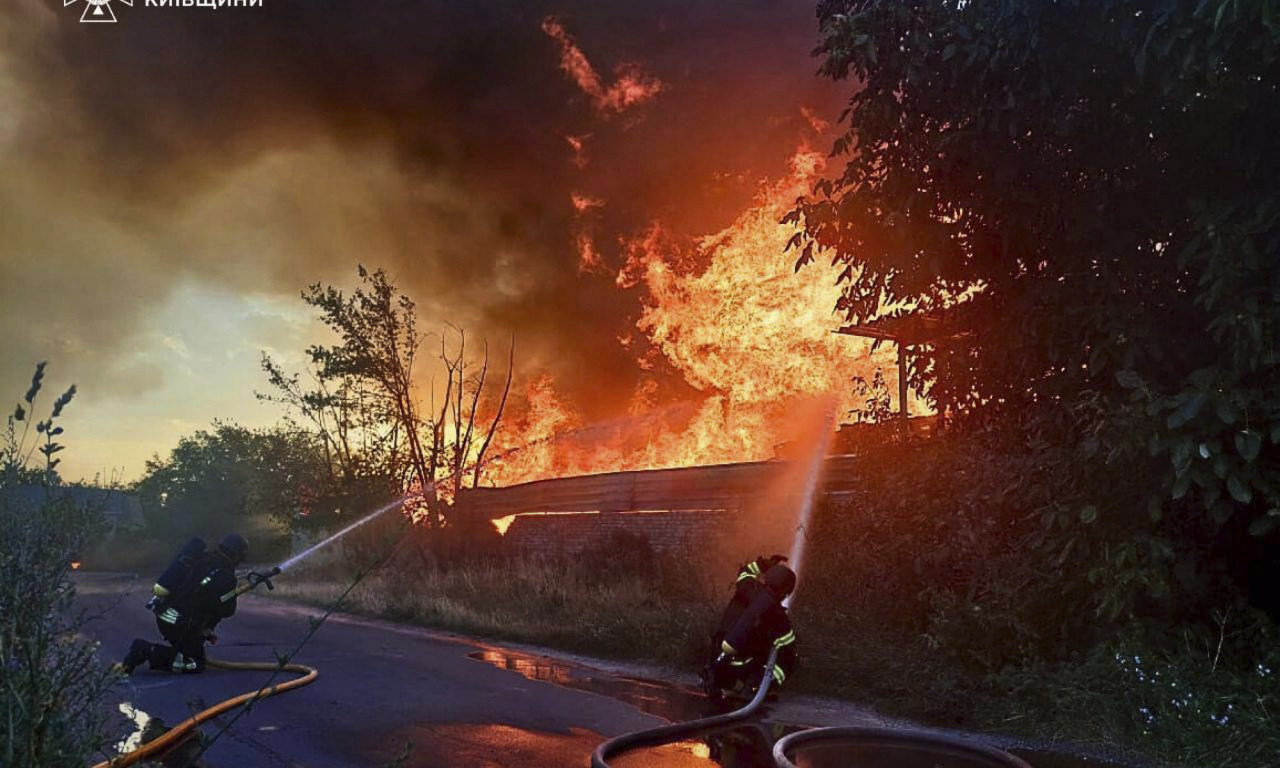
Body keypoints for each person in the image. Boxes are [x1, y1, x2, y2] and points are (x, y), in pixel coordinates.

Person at [117, 533, 248, 675]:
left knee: (192, 653)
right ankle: (146, 651)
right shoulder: (226, 576)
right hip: (179, 624)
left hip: (165, 614)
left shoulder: (201, 559)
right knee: (194, 664)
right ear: (237, 555)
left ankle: (158, 651)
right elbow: (227, 611)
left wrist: (204, 629)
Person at [700, 554, 798, 699]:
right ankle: (758, 686)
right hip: (742, 668)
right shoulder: (779, 619)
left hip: (718, 655)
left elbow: (745, 571)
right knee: (789, 660)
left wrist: (765, 564)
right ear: (785, 593)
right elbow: (788, 654)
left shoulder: (747, 586)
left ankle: (728, 683)